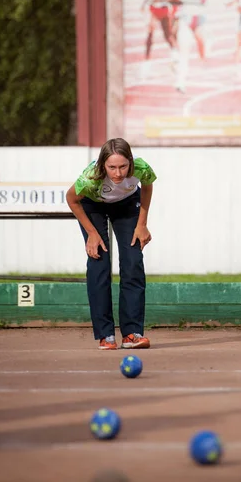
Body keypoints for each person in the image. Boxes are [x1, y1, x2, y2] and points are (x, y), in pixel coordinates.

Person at [66, 138, 157, 351]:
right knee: (99, 263)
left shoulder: (141, 168)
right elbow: (71, 199)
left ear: (131, 162)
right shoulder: (91, 178)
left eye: (123, 166)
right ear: (103, 165)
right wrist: (92, 233)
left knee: (133, 261)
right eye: (112, 167)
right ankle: (106, 335)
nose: (118, 173)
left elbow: (147, 187)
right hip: (93, 205)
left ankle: (132, 334)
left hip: (126, 205)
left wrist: (142, 224)